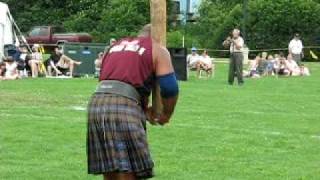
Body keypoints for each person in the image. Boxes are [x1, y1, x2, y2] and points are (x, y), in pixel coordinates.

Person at [87, 24, 179, 180]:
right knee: (130, 171)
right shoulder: (157, 49)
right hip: (123, 105)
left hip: (97, 103)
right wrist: (166, 114)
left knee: (111, 169)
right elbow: (170, 88)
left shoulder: (114, 46)